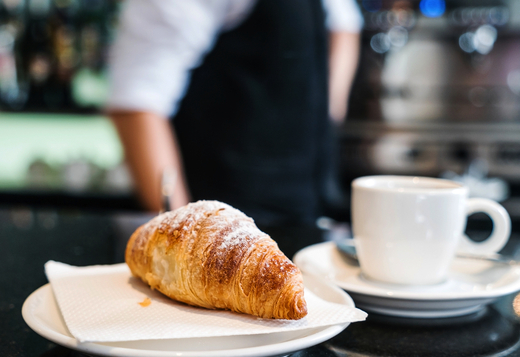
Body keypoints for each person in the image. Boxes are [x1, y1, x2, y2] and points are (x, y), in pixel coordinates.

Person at [107, 0, 362, 226]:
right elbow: (137, 102)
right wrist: (182, 238)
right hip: (223, 224)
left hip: (306, 211)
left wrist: (327, 107)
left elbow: (345, 23)